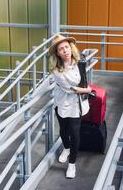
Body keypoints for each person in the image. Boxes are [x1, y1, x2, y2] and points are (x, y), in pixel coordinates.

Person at [48, 34, 92, 179]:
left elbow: (82, 79)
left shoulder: (79, 61)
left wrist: (83, 89)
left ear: (70, 47)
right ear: (57, 53)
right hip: (62, 102)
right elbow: (70, 89)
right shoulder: (56, 69)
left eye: (66, 47)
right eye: (61, 49)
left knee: (74, 133)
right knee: (63, 130)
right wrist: (87, 90)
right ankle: (66, 149)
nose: (65, 50)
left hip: (76, 105)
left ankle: (72, 164)